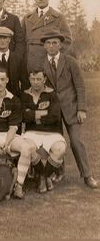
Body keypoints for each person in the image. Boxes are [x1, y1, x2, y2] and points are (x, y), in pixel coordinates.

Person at [41, 28, 98, 189]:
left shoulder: (70, 61)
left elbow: (79, 86)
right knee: (56, 142)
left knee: (75, 141)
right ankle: (59, 172)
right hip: (52, 110)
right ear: (44, 46)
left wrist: (82, 109)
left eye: (55, 43)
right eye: (48, 43)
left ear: (61, 45)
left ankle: (87, 175)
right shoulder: (41, 63)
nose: (51, 46)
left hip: (72, 108)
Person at [0, 68, 40, 199]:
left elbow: (13, 127)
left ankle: (18, 186)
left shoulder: (14, 100)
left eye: (2, 80)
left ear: (7, 81)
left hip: (8, 135)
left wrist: (6, 143)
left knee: (27, 148)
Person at [20, 69, 66, 193]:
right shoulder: (24, 95)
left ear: (45, 79)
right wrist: (43, 113)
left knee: (60, 149)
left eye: (39, 79)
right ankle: (45, 177)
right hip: (32, 132)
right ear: (29, 79)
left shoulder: (52, 94)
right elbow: (23, 116)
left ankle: (42, 176)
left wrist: (33, 114)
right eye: (33, 79)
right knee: (28, 148)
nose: (36, 82)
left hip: (52, 132)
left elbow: (55, 116)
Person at [22, 0, 72, 72]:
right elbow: (20, 40)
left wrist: (55, 55)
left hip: (49, 61)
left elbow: (67, 39)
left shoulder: (58, 17)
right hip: (30, 62)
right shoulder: (26, 18)